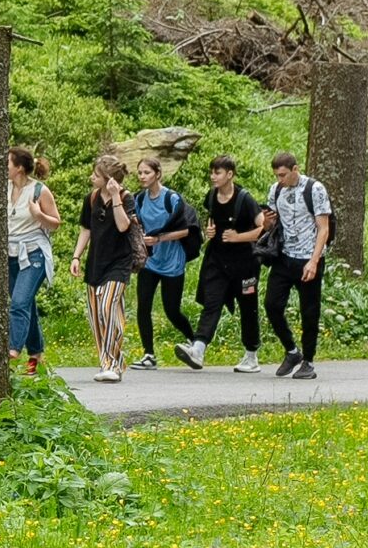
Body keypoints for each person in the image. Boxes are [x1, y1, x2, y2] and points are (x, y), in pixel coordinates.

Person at [260, 152, 332, 380]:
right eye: (277, 175)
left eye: (283, 174)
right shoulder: (276, 189)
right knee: (271, 305)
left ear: (295, 169)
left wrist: (314, 260)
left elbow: (324, 228)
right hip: (284, 256)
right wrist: (267, 220)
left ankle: (308, 361)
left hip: (308, 257)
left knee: (309, 311)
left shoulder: (315, 189)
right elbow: (270, 223)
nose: (280, 179)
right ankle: (292, 351)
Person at [196, 156, 269, 372]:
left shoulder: (245, 199)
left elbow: (264, 229)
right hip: (217, 261)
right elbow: (210, 223)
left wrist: (239, 237)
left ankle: (251, 355)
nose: (213, 177)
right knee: (212, 303)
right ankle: (198, 349)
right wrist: (208, 232)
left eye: (217, 173)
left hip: (245, 264)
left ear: (230, 174)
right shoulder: (210, 196)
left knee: (248, 307)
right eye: (211, 172)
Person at [69, 155, 136, 383]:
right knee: (96, 317)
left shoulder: (126, 198)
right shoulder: (92, 198)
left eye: (96, 175)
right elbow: (86, 229)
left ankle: (111, 365)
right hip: (96, 263)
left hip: (120, 263)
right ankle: (110, 361)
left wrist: (116, 195)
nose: (91, 178)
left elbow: (123, 225)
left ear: (108, 179)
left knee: (107, 309)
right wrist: (76, 256)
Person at [129, 159, 198, 369]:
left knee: (172, 310)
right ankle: (149, 354)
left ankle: (195, 342)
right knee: (143, 306)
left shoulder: (172, 199)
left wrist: (160, 238)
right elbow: (139, 224)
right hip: (150, 261)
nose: (142, 176)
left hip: (172, 262)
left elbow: (188, 229)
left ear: (158, 174)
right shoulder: (139, 199)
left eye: (147, 172)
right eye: (139, 172)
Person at [6, 148, 60, 378]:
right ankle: (36, 354)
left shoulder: (39, 191)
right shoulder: (4, 188)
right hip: (10, 253)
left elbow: (56, 223)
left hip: (34, 253)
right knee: (27, 305)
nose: (4, 166)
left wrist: (38, 215)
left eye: (8, 162)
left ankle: (11, 351)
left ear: (19, 167)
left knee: (19, 303)